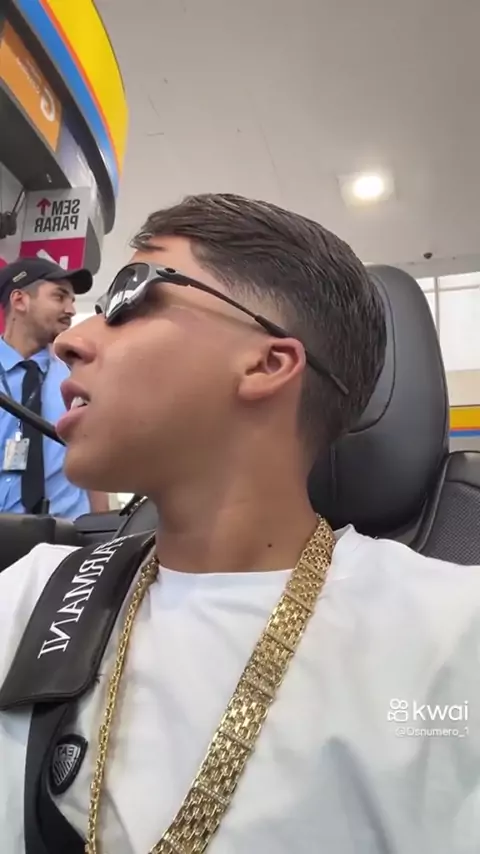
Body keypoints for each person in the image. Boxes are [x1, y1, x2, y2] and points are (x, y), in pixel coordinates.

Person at [0, 193, 479, 854]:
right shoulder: (34, 594)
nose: (72, 340)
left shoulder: (453, 640)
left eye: (131, 296)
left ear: (266, 363)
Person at [0, 258, 109, 518]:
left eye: (72, 301)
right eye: (59, 297)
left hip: (64, 534)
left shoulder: (80, 377)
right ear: (20, 300)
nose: (71, 310)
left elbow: (94, 462)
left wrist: (102, 529)